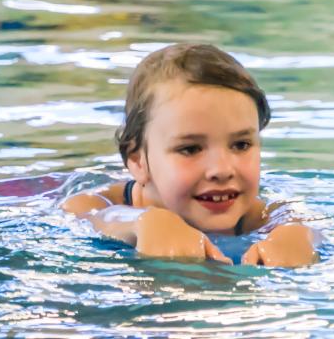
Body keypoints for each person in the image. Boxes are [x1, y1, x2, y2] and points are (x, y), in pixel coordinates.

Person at [61, 43, 317, 267]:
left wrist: (296, 232)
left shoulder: (255, 216)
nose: (222, 169)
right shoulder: (101, 204)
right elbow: (84, 213)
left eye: (240, 145)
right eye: (190, 149)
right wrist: (144, 221)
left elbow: (293, 216)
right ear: (138, 160)